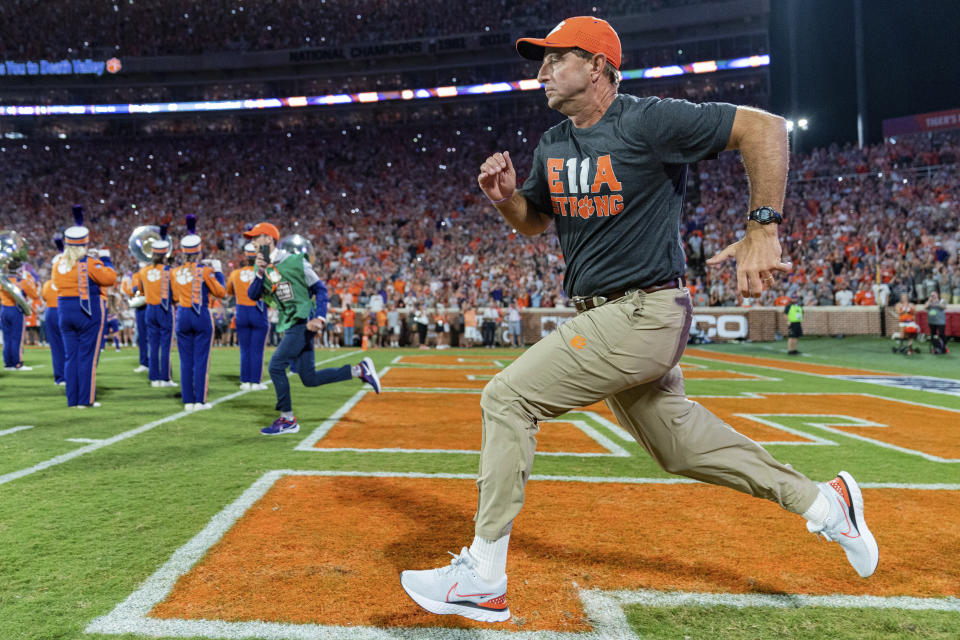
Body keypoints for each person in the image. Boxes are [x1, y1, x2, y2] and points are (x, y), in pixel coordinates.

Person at [399, 17, 878, 624]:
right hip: (607, 315)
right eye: (540, 62)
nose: (542, 72)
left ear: (597, 66)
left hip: (644, 309)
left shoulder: (648, 120)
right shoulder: (551, 144)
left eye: (555, 59)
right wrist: (505, 200)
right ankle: (826, 505)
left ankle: (484, 576)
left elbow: (766, 127)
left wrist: (762, 227)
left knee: (508, 397)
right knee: (677, 448)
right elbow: (535, 223)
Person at [243, 222, 381, 435]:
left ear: (269, 240)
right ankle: (359, 370)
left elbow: (321, 290)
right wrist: (260, 272)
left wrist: (320, 317)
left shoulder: (296, 262)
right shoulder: (261, 266)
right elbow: (252, 295)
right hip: (290, 323)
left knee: (276, 366)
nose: (252, 242)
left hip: (302, 322)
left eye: (256, 237)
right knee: (309, 378)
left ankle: (287, 419)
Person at [54, 206, 117, 407]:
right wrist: (105, 260)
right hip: (86, 310)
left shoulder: (58, 264)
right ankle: (85, 400)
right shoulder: (89, 263)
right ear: (85, 244)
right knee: (87, 357)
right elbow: (110, 278)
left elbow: (57, 284)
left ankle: (72, 400)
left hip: (64, 310)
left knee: (70, 357)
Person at [170, 216, 227, 411]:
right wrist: (218, 272)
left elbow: (174, 296)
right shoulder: (204, 270)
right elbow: (221, 292)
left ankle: (188, 401)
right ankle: (199, 400)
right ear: (198, 251)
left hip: (182, 315)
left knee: (185, 360)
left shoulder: (175, 272)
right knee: (201, 358)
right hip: (200, 314)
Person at [136, 234, 177, 388]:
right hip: (165, 308)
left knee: (153, 344)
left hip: (149, 309)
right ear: (165, 255)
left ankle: (154, 378)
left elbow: (139, 290)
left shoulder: (143, 271)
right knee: (165, 344)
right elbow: (176, 292)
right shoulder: (169, 271)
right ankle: (165, 378)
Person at [227, 243, 270, 390]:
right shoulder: (265, 272)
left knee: (244, 349)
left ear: (245, 256)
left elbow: (229, 291)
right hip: (258, 310)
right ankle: (255, 381)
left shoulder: (235, 273)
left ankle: (245, 381)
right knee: (257, 349)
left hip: (241, 311)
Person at [1, 243, 39, 371]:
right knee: (17, 337)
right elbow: (34, 294)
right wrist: (28, 279)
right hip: (16, 310)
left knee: (7, 338)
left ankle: (8, 363)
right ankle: (17, 363)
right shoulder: (21, 280)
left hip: (4, 309)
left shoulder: (2, 280)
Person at [41, 241, 65, 385]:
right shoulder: (69, 280)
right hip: (64, 310)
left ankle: (60, 377)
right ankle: (70, 376)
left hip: (51, 312)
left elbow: (44, 296)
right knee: (70, 346)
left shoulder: (47, 284)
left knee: (56, 347)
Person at [123, 265, 150, 373]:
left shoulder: (150, 273)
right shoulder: (136, 275)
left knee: (151, 337)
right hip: (141, 308)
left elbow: (136, 292)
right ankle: (144, 363)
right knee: (143, 337)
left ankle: (151, 363)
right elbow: (135, 293)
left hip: (150, 306)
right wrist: (126, 288)